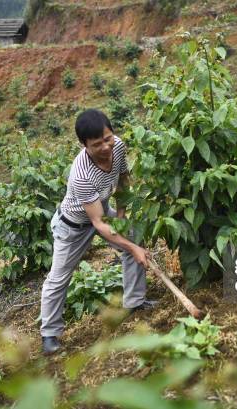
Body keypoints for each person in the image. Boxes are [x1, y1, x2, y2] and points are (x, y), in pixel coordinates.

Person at [40, 108, 157, 355]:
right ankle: (50, 334)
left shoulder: (118, 146)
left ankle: (135, 301)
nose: (105, 147)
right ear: (84, 145)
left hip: (102, 207)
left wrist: (123, 216)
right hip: (73, 225)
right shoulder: (81, 175)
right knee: (59, 277)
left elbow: (124, 180)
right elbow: (100, 224)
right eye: (96, 144)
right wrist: (132, 247)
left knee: (133, 235)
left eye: (107, 139)